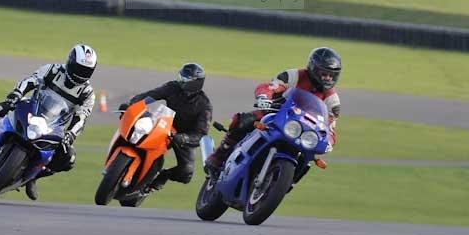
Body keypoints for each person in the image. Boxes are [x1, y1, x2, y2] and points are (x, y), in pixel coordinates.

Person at [0, 43, 97, 201]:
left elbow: (81, 117)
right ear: (70, 62)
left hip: (54, 126)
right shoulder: (53, 70)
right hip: (33, 108)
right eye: (78, 68)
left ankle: (34, 177)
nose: (80, 74)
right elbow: (31, 80)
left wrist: (70, 135)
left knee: (68, 158)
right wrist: (17, 93)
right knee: (0, 108)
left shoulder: (87, 94)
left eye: (85, 71)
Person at [206, 46, 342, 176]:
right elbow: (271, 86)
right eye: (324, 74)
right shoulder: (294, 75)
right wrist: (264, 97)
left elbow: (330, 128)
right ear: (313, 68)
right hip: (276, 114)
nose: (328, 78)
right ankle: (219, 155)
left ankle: (287, 182)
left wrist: (328, 142)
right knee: (242, 121)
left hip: (302, 130)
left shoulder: (332, 101)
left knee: (306, 160)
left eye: (332, 75)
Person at [120, 62, 212, 190]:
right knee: (139, 135)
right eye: (181, 76)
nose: (180, 80)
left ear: (195, 83)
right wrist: (132, 103)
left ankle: (163, 176)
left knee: (186, 172)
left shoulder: (204, 106)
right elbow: (151, 94)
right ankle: (124, 161)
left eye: (184, 79)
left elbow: (201, 135)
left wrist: (185, 138)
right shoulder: (172, 87)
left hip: (184, 137)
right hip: (164, 123)